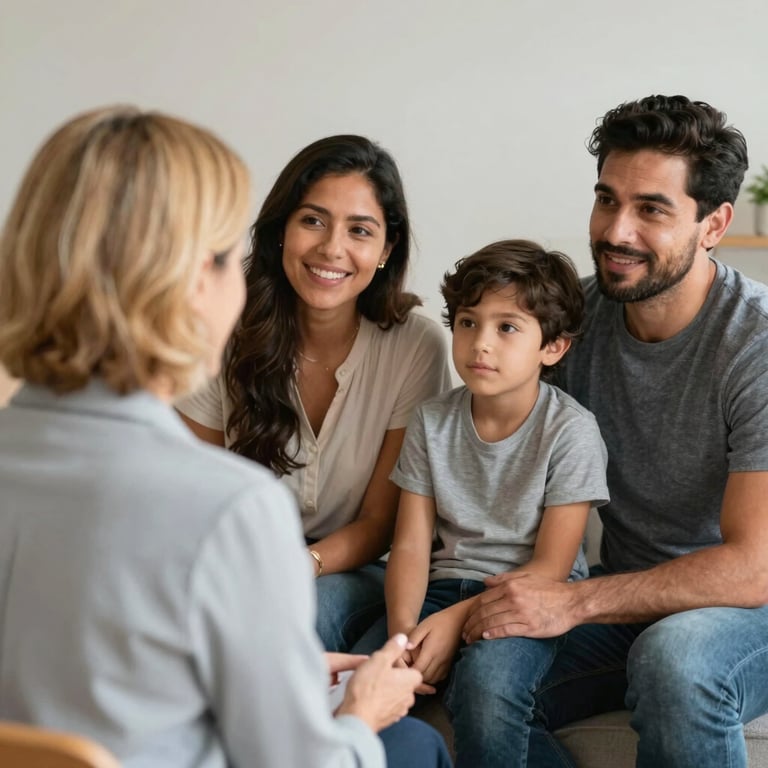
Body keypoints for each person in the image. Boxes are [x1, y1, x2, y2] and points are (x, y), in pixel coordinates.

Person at [0, 106, 451, 768]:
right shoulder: (227, 509)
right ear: (180, 287)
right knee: (412, 746)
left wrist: (271, 664)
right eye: (220, 258)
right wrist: (362, 714)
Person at [462, 94, 768, 768]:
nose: (616, 231)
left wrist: (574, 602)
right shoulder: (572, 321)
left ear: (714, 224)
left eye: (651, 209)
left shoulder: (756, 344)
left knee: (677, 661)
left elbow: (753, 567)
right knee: (486, 682)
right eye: (607, 200)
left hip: (751, 608)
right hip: (628, 589)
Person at [177, 134, 451, 652]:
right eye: (313, 220)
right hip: (233, 559)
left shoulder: (416, 345)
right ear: (281, 229)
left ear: (386, 249)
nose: (332, 248)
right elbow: (195, 494)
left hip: (352, 566)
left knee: (303, 609)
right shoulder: (220, 326)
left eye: (360, 230)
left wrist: (304, 564)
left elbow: (380, 521)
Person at [353, 240, 609, 767]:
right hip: (438, 591)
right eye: (468, 323)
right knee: (363, 685)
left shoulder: (571, 432)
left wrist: (453, 626)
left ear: (554, 346)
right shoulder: (431, 420)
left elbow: (549, 570)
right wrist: (403, 637)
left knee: (488, 691)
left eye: (507, 327)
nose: (480, 344)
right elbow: (410, 544)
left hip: (530, 604)